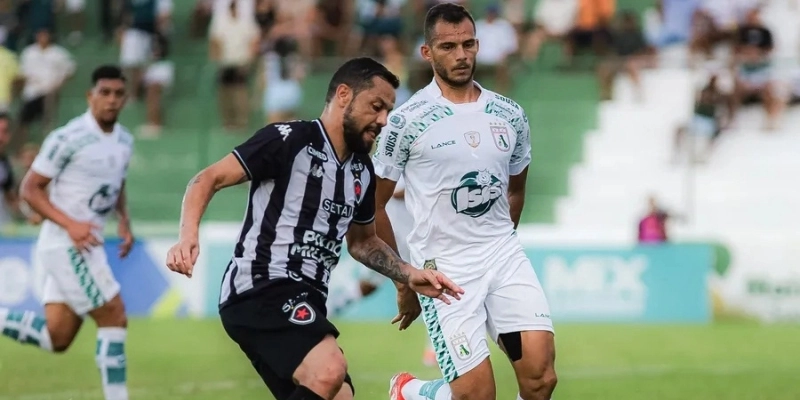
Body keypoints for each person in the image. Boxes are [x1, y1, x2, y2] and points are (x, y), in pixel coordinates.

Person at [165, 57, 464, 400]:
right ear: (343, 95)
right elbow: (207, 178)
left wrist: (405, 276)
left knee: (340, 395)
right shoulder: (287, 140)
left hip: (307, 297)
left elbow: (364, 243)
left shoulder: (362, 171)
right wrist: (187, 237)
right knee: (329, 369)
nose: (383, 120)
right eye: (376, 107)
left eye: (388, 111)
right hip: (261, 286)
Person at [374, 4, 557, 400]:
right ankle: (411, 392)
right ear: (427, 53)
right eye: (448, 46)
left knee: (541, 380)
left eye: (468, 44)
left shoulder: (510, 114)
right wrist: (404, 277)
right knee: (477, 396)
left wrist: (499, 240)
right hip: (445, 270)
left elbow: (516, 188)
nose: (461, 55)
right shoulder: (406, 121)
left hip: (502, 255)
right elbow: (374, 205)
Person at [0, 65, 134, 400]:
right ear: (90, 96)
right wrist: (70, 224)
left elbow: (117, 182)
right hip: (66, 244)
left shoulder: (124, 141)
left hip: (87, 243)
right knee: (114, 316)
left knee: (56, 337)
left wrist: (124, 220)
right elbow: (31, 188)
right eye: (105, 93)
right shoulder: (67, 138)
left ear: (126, 98)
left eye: (118, 94)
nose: (112, 100)